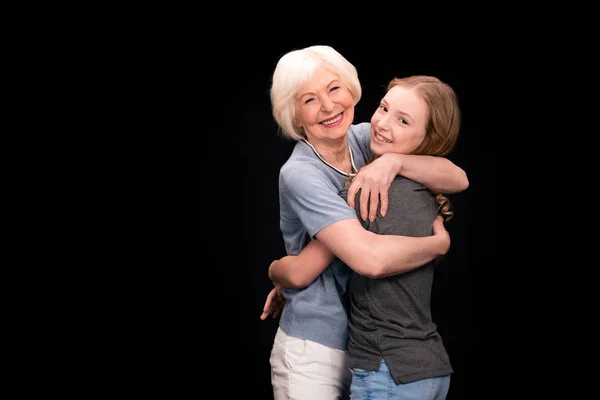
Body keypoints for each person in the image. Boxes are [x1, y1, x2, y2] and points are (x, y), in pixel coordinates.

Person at [262, 45, 468, 400]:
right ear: (294, 115)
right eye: (309, 99)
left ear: (351, 89)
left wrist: (395, 164)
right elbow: (368, 259)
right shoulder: (300, 173)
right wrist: (438, 245)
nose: (328, 106)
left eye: (334, 88)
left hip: (368, 347)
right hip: (317, 345)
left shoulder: (363, 140)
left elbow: (457, 178)